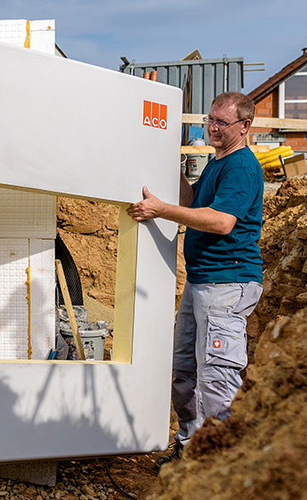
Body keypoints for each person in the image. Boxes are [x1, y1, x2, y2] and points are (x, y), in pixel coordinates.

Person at [126, 92, 263, 464]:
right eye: (210, 120)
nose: (213, 128)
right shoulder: (217, 164)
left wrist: (161, 210)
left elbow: (221, 221)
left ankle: (218, 464)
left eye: (222, 123)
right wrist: (168, 165)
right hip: (201, 281)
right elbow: (192, 206)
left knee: (216, 377)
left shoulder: (242, 167)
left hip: (227, 283)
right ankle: (189, 447)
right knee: (183, 371)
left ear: (244, 127)